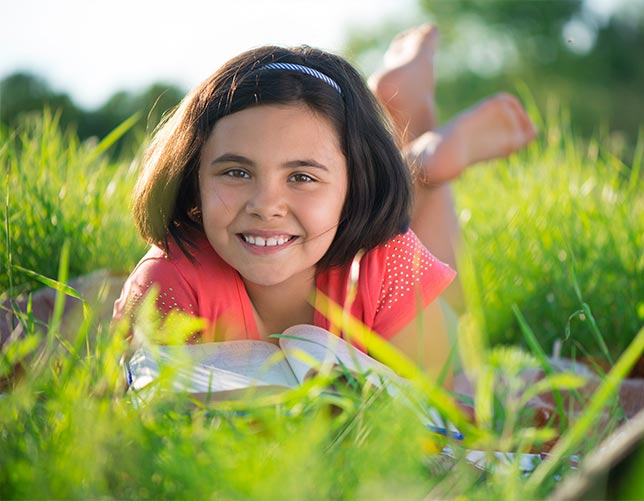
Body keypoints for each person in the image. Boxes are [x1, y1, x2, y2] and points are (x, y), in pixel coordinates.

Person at [111, 24, 537, 387]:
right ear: (192, 178)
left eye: (301, 177)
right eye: (237, 173)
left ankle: (424, 163)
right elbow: (158, 414)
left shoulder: (386, 262)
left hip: (384, 280)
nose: (266, 205)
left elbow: (436, 404)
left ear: (354, 188)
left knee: (460, 336)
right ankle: (420, 151)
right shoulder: (168, 282)